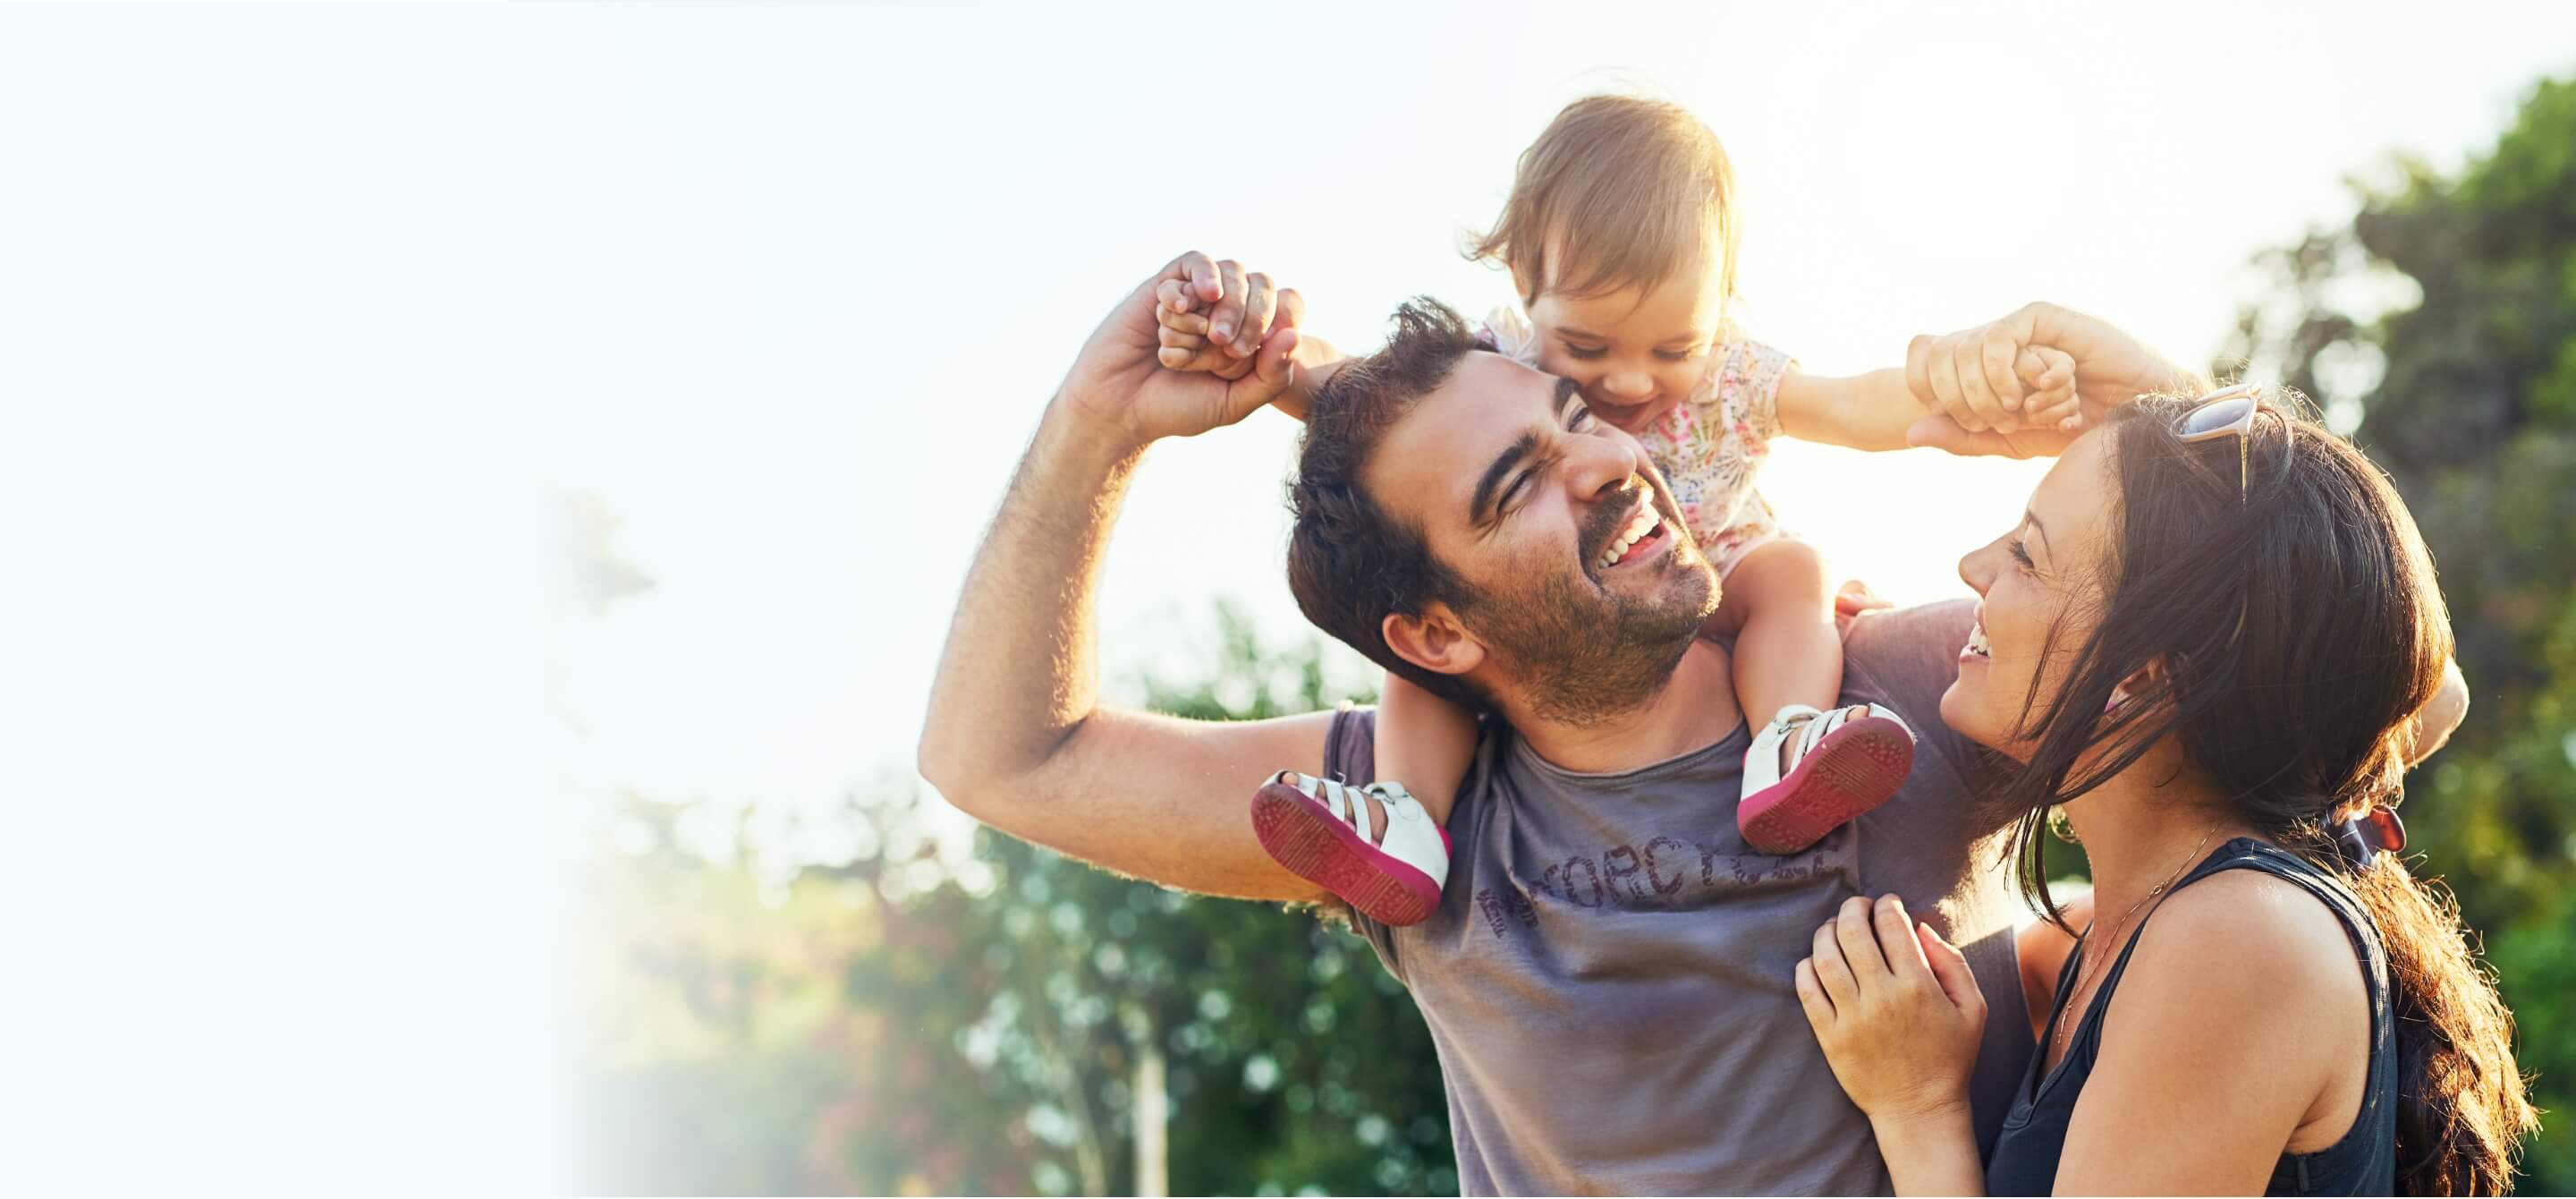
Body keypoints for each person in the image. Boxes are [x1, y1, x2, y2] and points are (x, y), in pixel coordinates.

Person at [918, 249, 2291, 1193]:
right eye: (1519, 483)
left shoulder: (1913, 690)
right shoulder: (1402, 813)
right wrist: (1100, 421)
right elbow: (1004, 757)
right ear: (1436, 635)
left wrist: (2157, 407)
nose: (1607, 462)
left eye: (1576, 415)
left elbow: (2389, 684)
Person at [1150, 96, 2079, 925]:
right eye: (1587, 346)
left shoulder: (1731, 375)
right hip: (1565, 612)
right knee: (1433, 653)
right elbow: (1348, 387)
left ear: (1722, 307)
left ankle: (1789, 738)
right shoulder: (1496, 366)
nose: (1630, 381)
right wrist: (1247, 340)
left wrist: (1968, 396)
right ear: (1522, 280)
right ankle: (1405, 817)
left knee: (1794, 570)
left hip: (1711, 585)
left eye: (1674, 344)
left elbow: (1848, 404)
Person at [1792, 387, 2533, 1195]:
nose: (1974, 567)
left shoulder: (2240, 940)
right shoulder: (2128, 930)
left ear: (2140, 678)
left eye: (2028, 556)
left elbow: (2413, 685)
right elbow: (2386, 679)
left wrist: (1918, 1108)